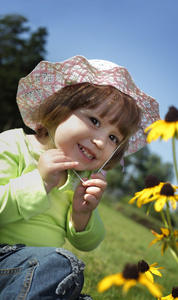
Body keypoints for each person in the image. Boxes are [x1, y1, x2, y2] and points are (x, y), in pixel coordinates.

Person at [0, 55, 160, 299]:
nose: (100, 141)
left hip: (41, 270)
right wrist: (39, 183)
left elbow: (88, 244)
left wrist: (82, 214)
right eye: (94, 120)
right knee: (62, 266)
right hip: (6, 259)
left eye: (113, 138)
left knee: (69, 281)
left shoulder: (81, 179)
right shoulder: (14, 144)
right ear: (59, 108)